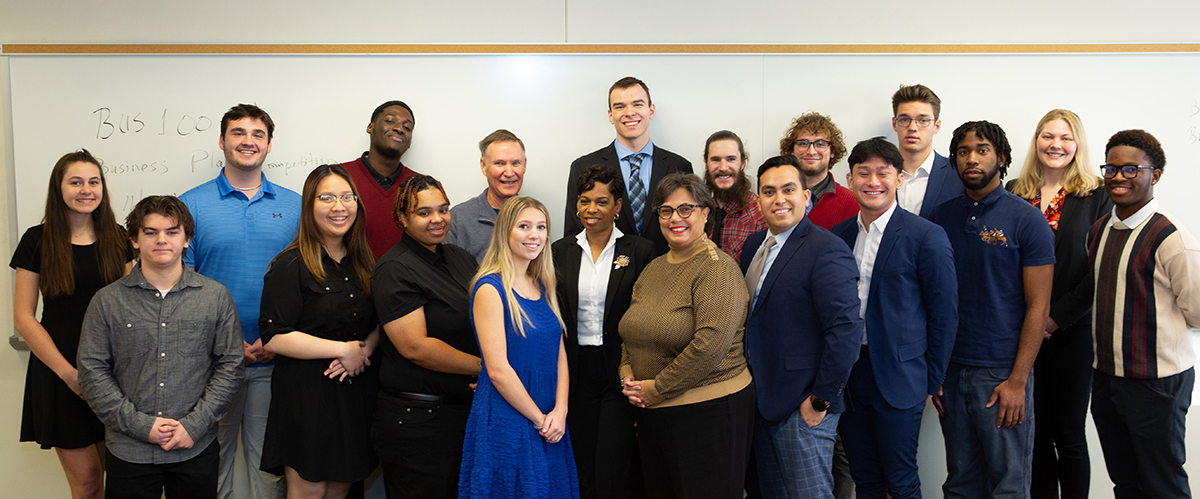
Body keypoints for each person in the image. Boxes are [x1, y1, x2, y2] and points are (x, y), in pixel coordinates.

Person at [78, 195, 244, 499]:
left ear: (187, 240)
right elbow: (92, 373)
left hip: (195, 446)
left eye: (172, 232)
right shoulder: (107, 301)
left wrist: (193, 426)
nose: (161, 240)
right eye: (150, 232)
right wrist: (143, 427)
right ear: (134, 240)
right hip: (130, 451)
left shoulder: (215, 297)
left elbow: (231, 368)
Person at [178, 104, 298, 499]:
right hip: (209, 363)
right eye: (238, 133)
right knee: (210, 467)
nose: (248, 141)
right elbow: (181, 288)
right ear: (222, 141)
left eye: (258, 134)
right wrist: (227, 345)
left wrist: (277, 339)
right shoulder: (189, 206)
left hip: (275, 359)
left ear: (268, 144)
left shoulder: (297, 206)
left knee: (270, 470)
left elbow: (308, 283)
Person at [929, 121, 1055, 498]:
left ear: (1001, 157)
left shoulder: (1027, 220)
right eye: (963, 151)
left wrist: (1018, 381)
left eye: (982, 150)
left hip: (1001, 374)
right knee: (960, 484)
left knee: (1009, 486)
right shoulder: (939, 219)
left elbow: (1038, 307)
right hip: (951, 374)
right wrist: (936, 371)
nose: (972, 158)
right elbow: (932, 300)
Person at [831, 138, 958, 499]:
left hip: (901, 378)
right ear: (850, 178)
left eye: (883, 173)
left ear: (899, 179)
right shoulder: (839, 236)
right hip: (851, 376)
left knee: (901, 479)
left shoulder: (926, 236)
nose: (873, 181)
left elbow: (945, 312)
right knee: (865, 478)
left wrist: (932, 378)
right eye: (863, 173)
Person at [619, 173, 754, 499]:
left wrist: (656, 389)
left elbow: (710, 345)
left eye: (685, 209)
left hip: (709, 413)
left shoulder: (717, 268)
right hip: (654, 412)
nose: (674, 218)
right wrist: (628, 378)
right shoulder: (654, 267)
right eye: (666, 211)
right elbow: (631, 331)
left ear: (705, 213)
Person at [10, 150, 132, 499]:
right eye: (75, 182)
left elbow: (132, 306)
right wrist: (68, 373)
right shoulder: (37, 240)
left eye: (93, 182)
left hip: (115, 375)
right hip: (61, 374)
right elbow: (23, 317)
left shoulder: (119, 238)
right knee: (89, 483)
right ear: (58, 188)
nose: (86, 190)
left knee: (123, 482)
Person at [741, 155, 862, 498]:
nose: (779, 199)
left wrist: (821, 400)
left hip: (803, 406)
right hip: (762, 402)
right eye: (769, 192)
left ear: (806, 197)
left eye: (789, 190)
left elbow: (845, 331)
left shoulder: (827, 250)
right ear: (759, 200)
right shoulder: (753, 246)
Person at [1087, 129, 1200, 499]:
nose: (1119, 177)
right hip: (1106, 377)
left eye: (1132, 169)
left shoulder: (1171, 237)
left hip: (1156, 384)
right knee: (1126, 482)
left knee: (1163, 484)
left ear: (1156, 175)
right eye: (1112, 168)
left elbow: (1198, 311)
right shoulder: (1100, 229)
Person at [258, 164, 381, 498]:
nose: (339, 207)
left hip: (355, 393)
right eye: (326, 198)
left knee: (340, 490)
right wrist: (343, 350)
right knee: (310, 491)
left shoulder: (365, 263)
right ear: (309, 206)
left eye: (346, 197)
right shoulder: (290, 264)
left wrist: (364, 350)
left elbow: (379, 324)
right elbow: (275, 335)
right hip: (307, 396)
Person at [1007, 110, 1110, 499]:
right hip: (1019, 331)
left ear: (1077, 144)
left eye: (1065, 138)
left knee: (1068, 435)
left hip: (1071, 332)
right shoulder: (1015, 191)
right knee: (1034, 433)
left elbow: (1100, 269)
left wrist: (1056, 317)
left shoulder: (1097, 194)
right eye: (1048, 136)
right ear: (1036, 142)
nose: (1056, 145)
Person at [458, 196, 578, 498]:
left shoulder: (541, 283)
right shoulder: (490, 288)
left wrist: (560, 411)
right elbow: (497, 370)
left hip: (550, 417)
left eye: (541, 227)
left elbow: (558, 352)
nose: (534, 235)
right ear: (505, 233)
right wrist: (539, 419)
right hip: (509, 414)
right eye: (524, 226)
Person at [371, 174, 481, 498]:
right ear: (402, 218)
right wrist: (485, 367)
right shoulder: (394, 269)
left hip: (461, 414)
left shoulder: (459, 258)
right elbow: (415, 346)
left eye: (443, 209)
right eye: (424, 212)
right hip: (418, 423)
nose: (437, 219)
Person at [552, 164, 656, 499]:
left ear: (618, 206)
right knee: (579, 462)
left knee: (613, 466)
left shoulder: (640, 251)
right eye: (584, 201)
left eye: (601, 201)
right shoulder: (559, 251)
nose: (591, 210)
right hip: (575, 369)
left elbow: (647, 318)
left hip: (619, 371)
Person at [564, 76, 694, 255]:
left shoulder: (679, 167)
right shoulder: (583, 167)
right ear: (610, 115)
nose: (629, 112)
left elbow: (689, 230)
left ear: (651, 110)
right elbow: (574, 238)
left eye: (638, 104)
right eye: (619, 106)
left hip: (667, 271)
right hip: (605, 276)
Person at [340, 100, 421, 259]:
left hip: (403, 282)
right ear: (370, 127)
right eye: (390, 121)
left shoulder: (420, 186)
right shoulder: (339, 177)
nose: (399, 128)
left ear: (410, 142)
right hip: (345, 281)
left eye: (407, 127)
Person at [446, 129, 527, 263]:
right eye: (499, 163)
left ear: (524, 165)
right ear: (484, 166)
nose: (509, 172)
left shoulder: (536, 217)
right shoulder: (458, 219)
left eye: (516, 163)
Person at [890, 84, 963, 218]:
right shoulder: (879, 175)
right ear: (895, 124)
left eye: (922, 120)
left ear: (937, 126)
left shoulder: (958, 175)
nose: (912, 127)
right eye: (904, 119)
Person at [777, 111, 858, 230]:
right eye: (803, 143)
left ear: (833, 151)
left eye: (820, 144)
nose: (811, 151)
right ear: (791, 151)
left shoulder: (851, 203)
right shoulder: (777, 198)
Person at [703, 130, 767, 261]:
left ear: (742, 163)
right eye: (715, 160)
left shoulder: (760, 214)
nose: (723, 167)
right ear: (706, 164)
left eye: (731, 159)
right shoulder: (698, 212)